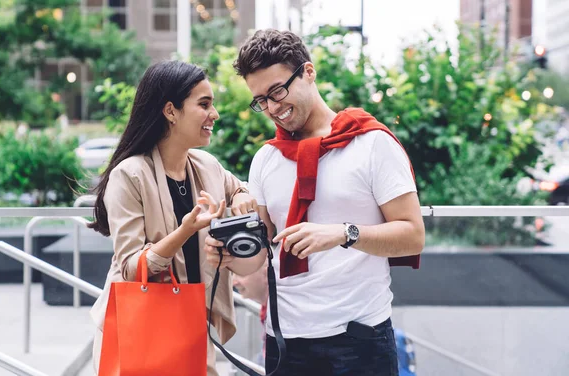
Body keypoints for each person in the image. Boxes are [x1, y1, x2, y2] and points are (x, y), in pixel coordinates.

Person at [208, 29, 426, 376]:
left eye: (278, 91)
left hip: (360, 338)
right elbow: (262, 258)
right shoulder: (266, 159)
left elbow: (413, 235)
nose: (273, 107)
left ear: (308, 72)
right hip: (286, 342)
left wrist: (344, 233)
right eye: (261, 99)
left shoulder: (372, 144)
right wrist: (228, 256)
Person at [88, 60, 266, 376]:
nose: (215, 115)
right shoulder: (129, 175)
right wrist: (185, 231)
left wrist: (241, 198)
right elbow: (131, 268)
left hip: (191, 326)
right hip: (139, 332)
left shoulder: (206, 166)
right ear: (171, 111)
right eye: (204, 104)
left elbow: (236, 187)